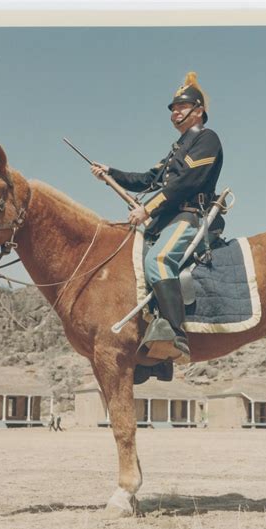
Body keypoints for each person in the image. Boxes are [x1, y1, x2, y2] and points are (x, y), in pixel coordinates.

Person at [91, 72, 224, 363]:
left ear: (198, 111)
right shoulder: (178, 148)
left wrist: (147, 209)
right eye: (173, 108)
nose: (175, 112)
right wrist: (111, 173)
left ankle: (176, 336)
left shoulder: (207, 140)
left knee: (158, 261)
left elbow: (185, 183)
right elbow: (150, 179)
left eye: (181, 107)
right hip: (169, 218)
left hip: (191, 216)